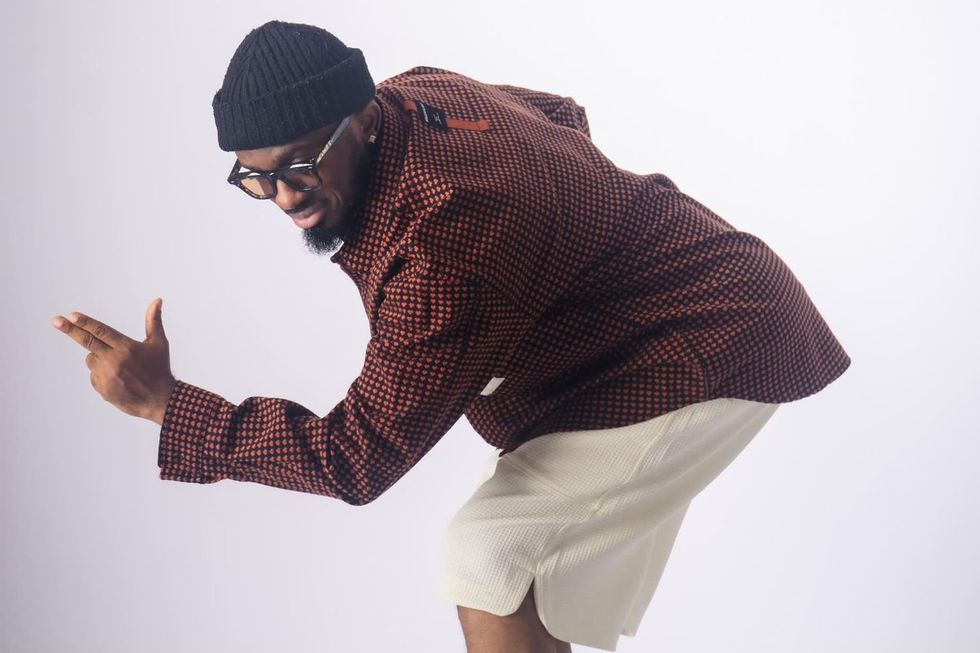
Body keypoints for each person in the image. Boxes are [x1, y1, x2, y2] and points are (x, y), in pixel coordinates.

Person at [61, 19, 852, 653]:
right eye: (254, 175)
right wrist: (563, 261)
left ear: (363, 121)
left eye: (301, 164)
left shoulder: (446, 240)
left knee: (488, 558)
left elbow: (355, 457)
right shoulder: (417, 93)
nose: (283, 196)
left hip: (707, 339)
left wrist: (168, 405)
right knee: (518, 577)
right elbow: (561, 117)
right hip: (664, 316)